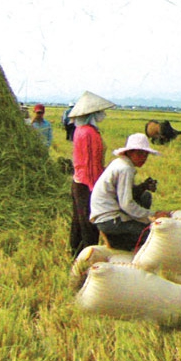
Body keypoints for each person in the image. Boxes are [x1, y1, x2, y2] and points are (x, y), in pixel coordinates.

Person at [90, 133, 171, 252]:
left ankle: (121, 241)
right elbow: (126, 204)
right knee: (152, 235)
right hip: (110, 219)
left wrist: (143, 187)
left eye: (145, 155)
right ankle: (120, 243)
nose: (143, 158)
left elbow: (125, 193)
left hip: (106, 215)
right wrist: (152, 215)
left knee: (145, 196)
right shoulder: (125, 169)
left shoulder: (120, 163)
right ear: (129, 152)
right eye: (139, 154)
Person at [68, 91, 115, 256]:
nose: (102, 114)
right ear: (92, 114)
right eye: (99, 112)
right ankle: (89, 256)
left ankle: (76, 254)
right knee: (89, 223)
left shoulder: (81, 130)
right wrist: (95, 188)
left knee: (79, 222)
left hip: (80, 181)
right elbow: (89, 164)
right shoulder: (88, 133)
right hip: (86, 184)